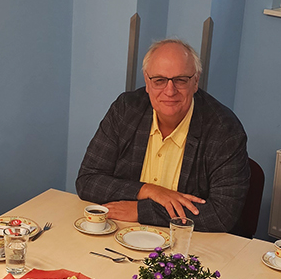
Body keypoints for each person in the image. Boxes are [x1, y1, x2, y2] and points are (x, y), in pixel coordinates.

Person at [76, 38, 250, 232]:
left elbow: (222, 214)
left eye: (180, 80)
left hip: (188, 244)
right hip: (121, 233)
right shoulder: (126, 110)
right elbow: (88, 180)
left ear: (196, 81)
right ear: (147, 81)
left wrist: (142, 211)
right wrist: (149, 191)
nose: (170, 91)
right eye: (159, 80)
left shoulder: (224, 129)